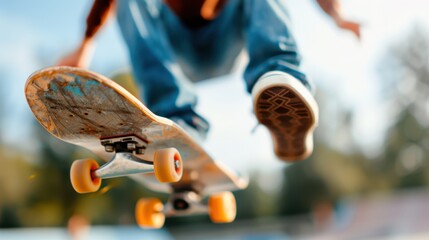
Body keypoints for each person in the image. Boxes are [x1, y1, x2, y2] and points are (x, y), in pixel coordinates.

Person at [59, 0, 361, 161]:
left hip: (225, 40)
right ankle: (175, 120)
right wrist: (85, 45)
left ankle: (279, 81)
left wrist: (336, 14)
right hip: (175, 49)